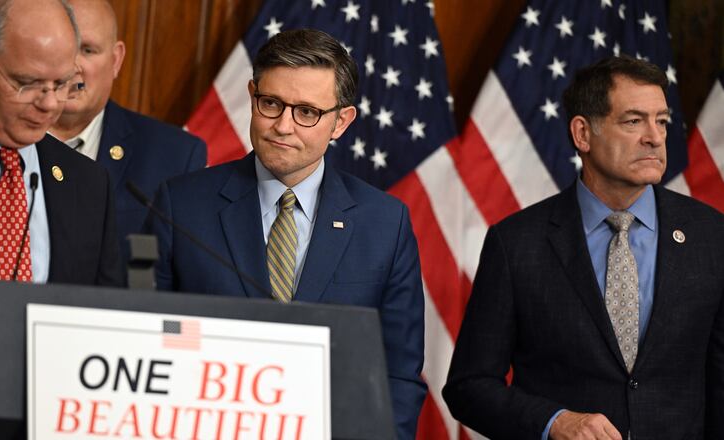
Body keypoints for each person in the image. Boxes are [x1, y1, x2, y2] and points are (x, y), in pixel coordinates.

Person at [148, 29, 426, 438]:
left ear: (340, 122)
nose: (283, 126)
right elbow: (151, 337)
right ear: (252, 95)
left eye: (307, 112)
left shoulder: (385, 224)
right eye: (271, 103)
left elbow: (398, 374)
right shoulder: (182, 206)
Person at [442, 55, 724, 439]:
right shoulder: (517, 243)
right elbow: (469, 387)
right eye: (633, 121)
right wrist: (553, 421)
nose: (655, 137)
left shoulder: (711, 236)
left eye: (661, 121)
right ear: (583, 134)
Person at [0, 0, 122, 286]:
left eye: (61, 84)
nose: (48, 103)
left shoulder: (89, 184)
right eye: (28, 83)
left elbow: (103, 314)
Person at [49, 0, 206, 263]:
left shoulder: (175, 158)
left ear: (116, 60)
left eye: (87, 50)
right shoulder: (0, 137)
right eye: (60, 48)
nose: (72, 65)